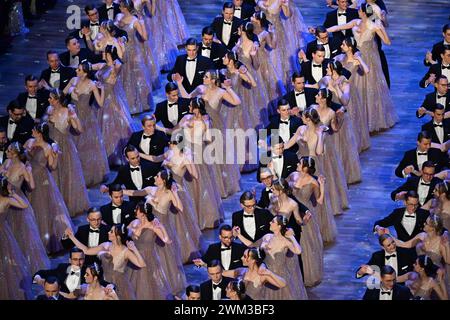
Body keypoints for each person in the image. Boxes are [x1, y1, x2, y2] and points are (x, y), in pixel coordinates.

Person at [326, 3, 397, 133]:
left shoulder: (374, 25)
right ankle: (357, 119)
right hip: (355, 55)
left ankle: (370, 121)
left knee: (368, 87)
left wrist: (381, 26)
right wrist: (325, 31)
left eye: (360, 9)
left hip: (369, 59)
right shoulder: (355, 22)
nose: (357, 10)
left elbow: (387, 42)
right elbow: (338, 27)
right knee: (354, 86)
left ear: (364, 12)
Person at [175, 69, 242, 198]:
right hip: (200, 127)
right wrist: (179, 83)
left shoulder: (220, 92)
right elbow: (187, 97)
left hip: (215, 127)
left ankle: (220, 189)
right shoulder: (200, 88)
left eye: (206, 77)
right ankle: (209, 190)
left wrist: (228, 88)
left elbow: (236, 101)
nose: (203, 79)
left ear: (212, 80)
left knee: (216, 158)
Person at [124, 171, 189, 294]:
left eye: (157, 176)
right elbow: (135, 192)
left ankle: (160, 285)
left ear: (163, 180)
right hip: (145, 226)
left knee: (162, 256)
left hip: (159, 225)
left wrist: (174, 192)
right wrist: (121, 192)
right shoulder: (150, 189)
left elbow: (180, 208)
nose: (155, 177)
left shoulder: (169, 193)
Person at [1, 142, 50, 273]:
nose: (6, 153)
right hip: (4, 202)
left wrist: (29, 172)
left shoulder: (22, 167)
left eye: (9, 151)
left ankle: (24, 263)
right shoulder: (6, 163)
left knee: (21, 233)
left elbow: (32, 186)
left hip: (16, 201)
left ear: (15, 153)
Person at [25, 122, 74, 253]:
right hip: (27, 177)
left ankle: (44, 243)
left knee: (41, 209)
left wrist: (55, 156)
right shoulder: (29, 142)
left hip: (41, 180)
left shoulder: (48, 147)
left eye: (34, 130)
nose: (32, 131)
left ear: (39, 133)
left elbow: (52, 167)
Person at [65, 223, 146, 300]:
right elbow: (86, 250)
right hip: (103, 282)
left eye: (111, 231)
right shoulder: (106, 245)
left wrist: (134, 249)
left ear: (117, 237)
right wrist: (72, 237)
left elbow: (141, 264)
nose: (108, 232)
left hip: (119, 284)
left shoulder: (126, 252)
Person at [235, 215, 308, 299]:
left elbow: (298, 251)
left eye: (273, 222)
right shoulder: (267, 236)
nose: (270, 222)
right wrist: (239, 235)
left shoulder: (285, 241)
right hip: (265, 273)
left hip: (278, 275)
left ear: (279, 226)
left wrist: (291, 236)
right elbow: (252, 245)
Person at [63, 62, 110, 187]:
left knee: (85, 146)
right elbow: (63, 93)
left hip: (86, 118)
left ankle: (85, 175)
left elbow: (99, 103)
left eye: (79, 70)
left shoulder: (92, 84)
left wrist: (103, 89)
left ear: (85, 73)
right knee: (72, 144)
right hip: (73, 114)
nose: (76, 71)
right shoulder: (73, 80)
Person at [46, 88, 90, 216]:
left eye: (51, 98)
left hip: (64, 148)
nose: (48, 100)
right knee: (53, 175)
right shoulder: (49, 111)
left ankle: (65, 205)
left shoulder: (68, 112)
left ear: (57, 99)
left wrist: (74, 117)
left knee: (66, 174)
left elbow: (80, 130)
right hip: (51, 147)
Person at [319, 61, 361, 184]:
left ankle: (345, 177)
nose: (326, 69)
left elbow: (345, 101)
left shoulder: (344, 82)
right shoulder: (325, 79)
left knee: (343, 147)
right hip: (328, 118)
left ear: (334, 70)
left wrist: (336, 87)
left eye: (328, 68)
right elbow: (317, 88)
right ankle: (334, 178)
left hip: (340, 118)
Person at [127, 202, 173, 300]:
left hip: (149, 258)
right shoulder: (134, 223)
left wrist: (161, 227)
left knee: (147, 282)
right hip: (135, 256)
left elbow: (167, 240)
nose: (135, 211)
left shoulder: (153, 226)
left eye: (137, 209)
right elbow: (129, 236)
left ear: (143, 213)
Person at [115, 0, 154, 114]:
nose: (120, 8)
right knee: (122, 76)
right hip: (120, 50)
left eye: (121, 7)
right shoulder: (118, 16)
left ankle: (135, 105)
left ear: (126, 8)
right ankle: (123, 104)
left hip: (132, 52)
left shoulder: (135, 21)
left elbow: (145, 37)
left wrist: (142, 22)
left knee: (134, 77)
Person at [334, 36, 370, 152]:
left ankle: (353, 145)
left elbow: (366, 70)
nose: (341, 46)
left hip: (350, 91)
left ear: (350, 48)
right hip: (339, 90)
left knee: (352, 117)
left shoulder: (356, 60)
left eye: (343, 45)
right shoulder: (339, 58)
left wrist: (359, 59)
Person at [0, 175, 33, 300]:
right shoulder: (6, 199)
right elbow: (24, 205)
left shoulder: (6, 200)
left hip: (3, 234)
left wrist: (13, 194)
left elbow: (24, 205)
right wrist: (12, 194)